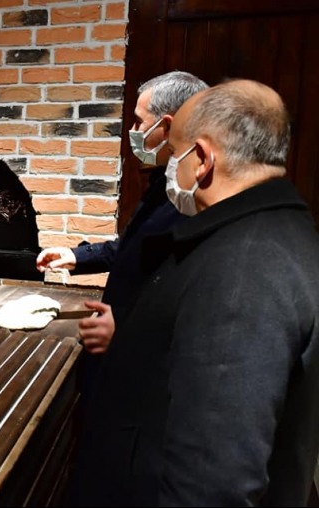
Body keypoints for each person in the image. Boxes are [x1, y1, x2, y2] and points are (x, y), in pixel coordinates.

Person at [73, 79, 319, 506]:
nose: (171, 167)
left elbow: (211, 481)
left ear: (202, 159)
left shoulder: (245, 271)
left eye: (176, 154)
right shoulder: (269, 231)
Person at [36, 71, 208, 394]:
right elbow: (136, 247)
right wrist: (75, 256)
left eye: (139, 122)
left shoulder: (193, 200)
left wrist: (128, 329)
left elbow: (192, 300)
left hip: (143, 380)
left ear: (167, 127)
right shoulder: (164, 183)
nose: (132, 131)